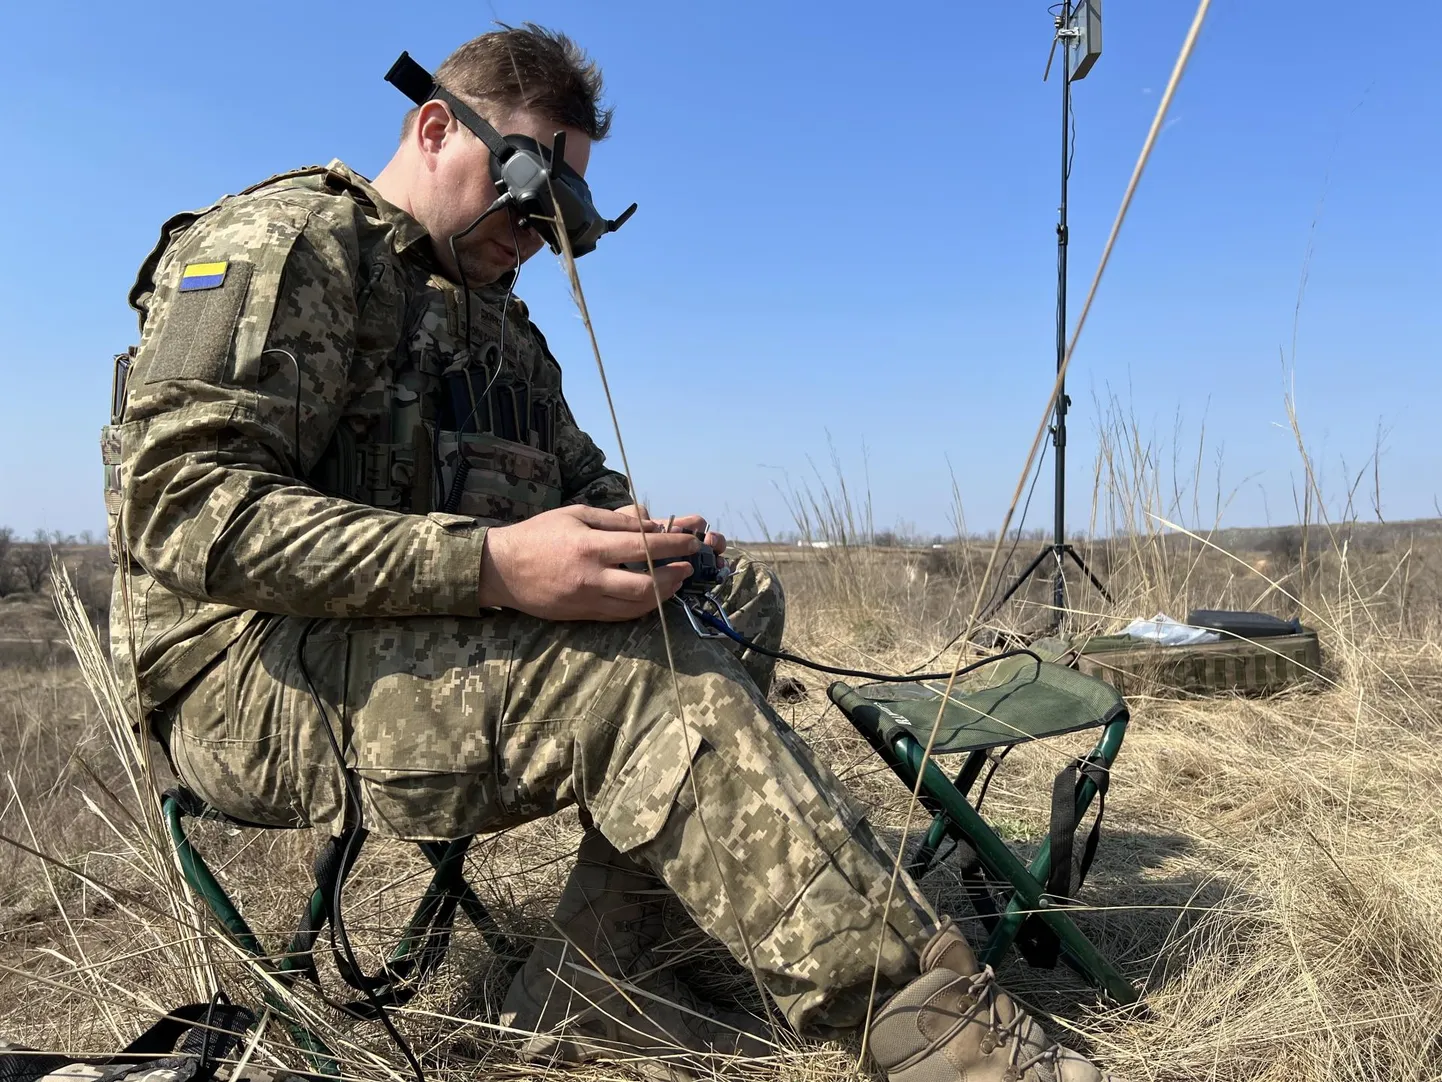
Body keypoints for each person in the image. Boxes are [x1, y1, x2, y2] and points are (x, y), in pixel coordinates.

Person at [104, 24, 1123, 1082]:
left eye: (563, 219)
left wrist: (644, 542)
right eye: (527, 190)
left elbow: (578, 483)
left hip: (402, 639)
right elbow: (182, 507)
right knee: (643, 680)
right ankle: (942, 1035)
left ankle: (590, 978)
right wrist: (493, 565)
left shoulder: (497, 325)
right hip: (243, 677)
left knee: (735, 601)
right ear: (434, 126)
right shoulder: (290, 247)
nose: (538, 235)